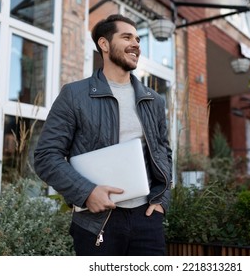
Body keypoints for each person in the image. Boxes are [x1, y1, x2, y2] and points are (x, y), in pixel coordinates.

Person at [34, 14, 172, 256]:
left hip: (146, 219)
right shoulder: (75, 95)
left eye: (138, 39)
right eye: (127, 37)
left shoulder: (154, 100)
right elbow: (46, 156)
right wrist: (86, 192)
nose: (136, 44)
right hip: (96, 222)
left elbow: (164, 152)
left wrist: (162, 201)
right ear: (104, 44)